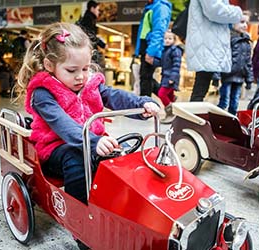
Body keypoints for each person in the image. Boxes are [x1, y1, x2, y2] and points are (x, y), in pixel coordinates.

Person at [17, 23, 159, 208]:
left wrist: (141, 104)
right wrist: (93, 142)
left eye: (85, 69)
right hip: (57, 148)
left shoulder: (89, 84)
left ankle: (118, 202)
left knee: (122, 152)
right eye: (71, 70)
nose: (80, 77)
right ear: (49, 65)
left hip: (92, 141)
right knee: (76, 159)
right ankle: (80, 213)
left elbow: (114, 96)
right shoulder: (43, 93)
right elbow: (62, 124)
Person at [185, 0, 242, 102]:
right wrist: (237, 12)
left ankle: (195, 114)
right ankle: (194, 115)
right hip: (208, 42)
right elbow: (214, 10)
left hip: (208, 42)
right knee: (201, 87)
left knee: (202, 86)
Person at [217, 12, 253, 115]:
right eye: (242, 22)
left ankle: (231, 121)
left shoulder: (246, 41)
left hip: (239, 77)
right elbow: (221, 57)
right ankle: (217, 118)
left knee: (235, 102)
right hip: (227, 75)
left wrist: (249, 79)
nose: (245, 25)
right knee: (224, 100)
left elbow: (248, 62)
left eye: (247, 22)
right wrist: (216, 76)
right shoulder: (228, 38)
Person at [135, 0, 172, 97]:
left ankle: (146, 107)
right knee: (145, 77)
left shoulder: (160, 7)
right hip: (146, 48)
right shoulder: (151, 6)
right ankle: (167, 97)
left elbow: (159, 31)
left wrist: (151, 52)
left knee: (145, 79)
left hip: (150, 49)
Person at [153, 30, 183, 123]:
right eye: (165, 38)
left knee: (161, 94)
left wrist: (172, 78)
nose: (167, 40)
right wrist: (153, 61)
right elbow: (162, 63)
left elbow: (176, 65)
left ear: (174, 39)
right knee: (169, 95)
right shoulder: (165, 50)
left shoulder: (175, 50)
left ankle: (171, 113)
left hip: (170, 77)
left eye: (170, 38)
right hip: (165, 76)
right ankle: (172, 111)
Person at [77, 0, 106, 68]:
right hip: (88, 49)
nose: (98, 12)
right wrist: (102, 44)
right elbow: (90, 35)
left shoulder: (88, 18)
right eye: (98, 10)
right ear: (92, 8)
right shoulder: (88, 19)